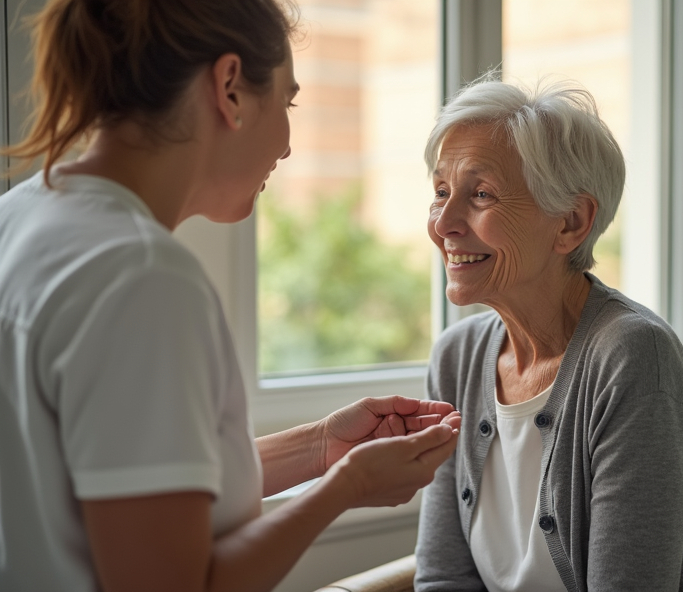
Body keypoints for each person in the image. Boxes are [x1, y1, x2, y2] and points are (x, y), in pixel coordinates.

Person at [0, 1, 461, 591]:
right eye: (288, 102)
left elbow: (123, 485)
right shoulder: (143, 279)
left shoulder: (23, 216)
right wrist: (346, 488)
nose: (290, 144)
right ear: (230, 88)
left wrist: (321, 447)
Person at [414, 78, 683, 592]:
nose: (443, 223)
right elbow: (444, 578)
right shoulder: (456, 359)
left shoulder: (633, 358)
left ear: (571, 223)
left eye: (481, 194)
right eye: (441, 191)